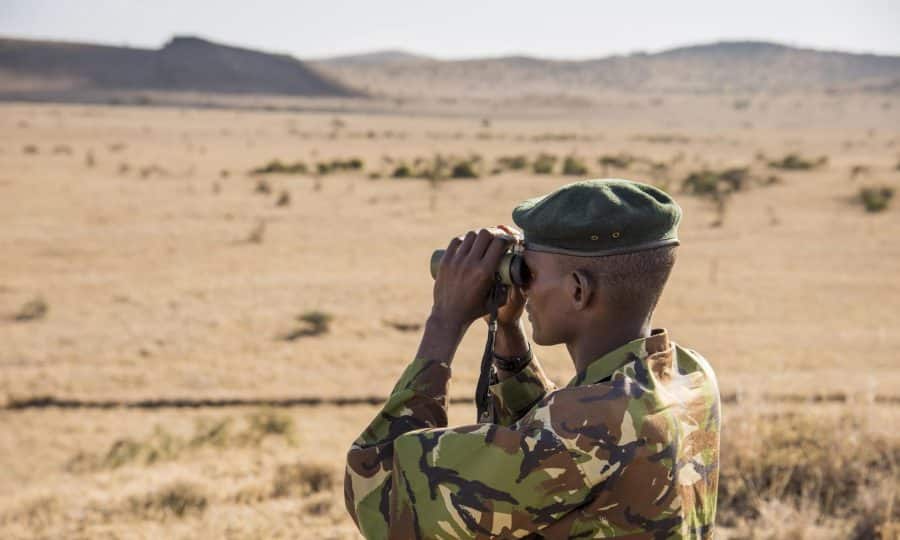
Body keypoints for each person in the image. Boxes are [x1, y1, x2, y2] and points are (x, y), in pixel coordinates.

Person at [344, 179, 721, 539]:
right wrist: (509, 330)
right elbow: (548, 450)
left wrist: (446, 320)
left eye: (529, 273)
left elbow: (380, 496)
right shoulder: (689, 375)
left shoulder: (583, 427)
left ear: (577, 290)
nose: (522, 286)